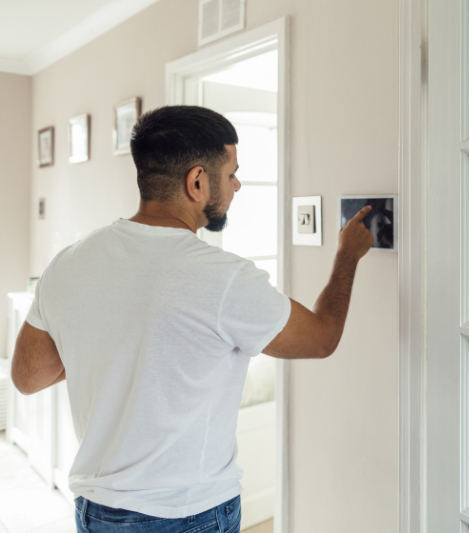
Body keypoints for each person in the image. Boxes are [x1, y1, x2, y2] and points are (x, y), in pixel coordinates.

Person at [10, 106, 374, 532]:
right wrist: (348, 256)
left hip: (97, 512)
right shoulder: (223, 278)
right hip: (186, 515)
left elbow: (27, 377)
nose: (237, 185)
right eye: (232, 173)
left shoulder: (68, 263)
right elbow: (321, 338)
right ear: (197, 182)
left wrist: (107, 348)